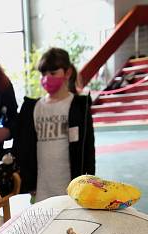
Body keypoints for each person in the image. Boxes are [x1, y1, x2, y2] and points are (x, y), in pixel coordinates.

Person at [13, 47, 95, 200]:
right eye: (43, 74)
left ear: (67, 73)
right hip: (42, 188)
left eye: (53, 73)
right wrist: (29, 182)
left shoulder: (78, 107)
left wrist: (88, 183)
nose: (47, 78)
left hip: (70, 187)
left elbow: (88, 149)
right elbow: (26, 148)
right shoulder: (34, 108)